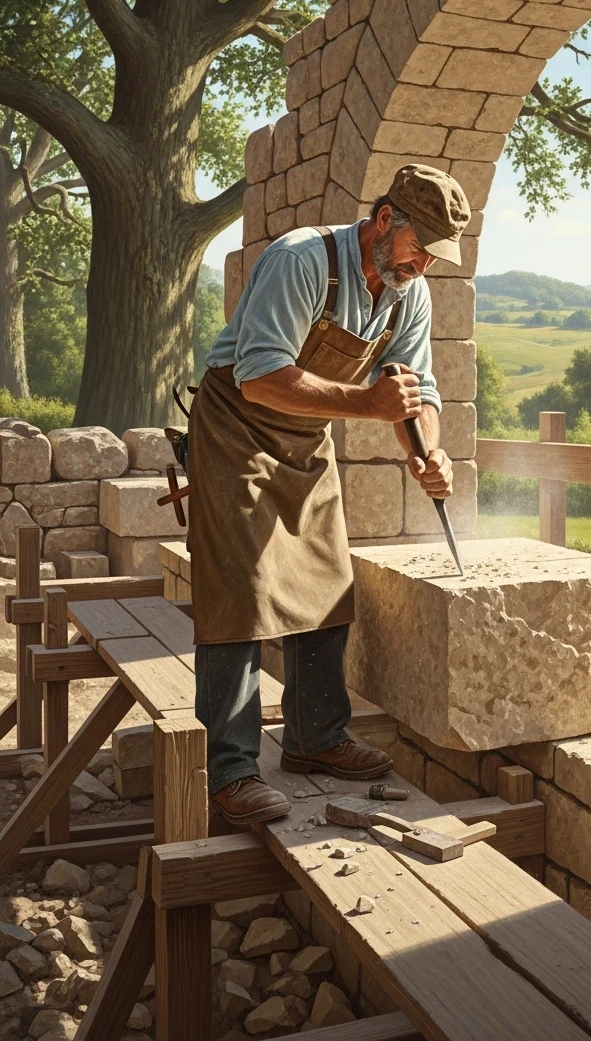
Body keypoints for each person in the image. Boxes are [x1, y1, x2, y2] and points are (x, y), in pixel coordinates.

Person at [186, 163, 471, 825]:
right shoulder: (301, 260)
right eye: (417, 246)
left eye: (434, 254)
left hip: (306, 433)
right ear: (382, 222)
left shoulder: (407, 293)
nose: (423, 263)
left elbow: (416, 390)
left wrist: (428, 451)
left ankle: (314, 739)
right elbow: (259, 374)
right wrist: (369, 405)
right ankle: (228, 769)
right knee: (242, 586)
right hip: (236, 426)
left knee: (328, 578)